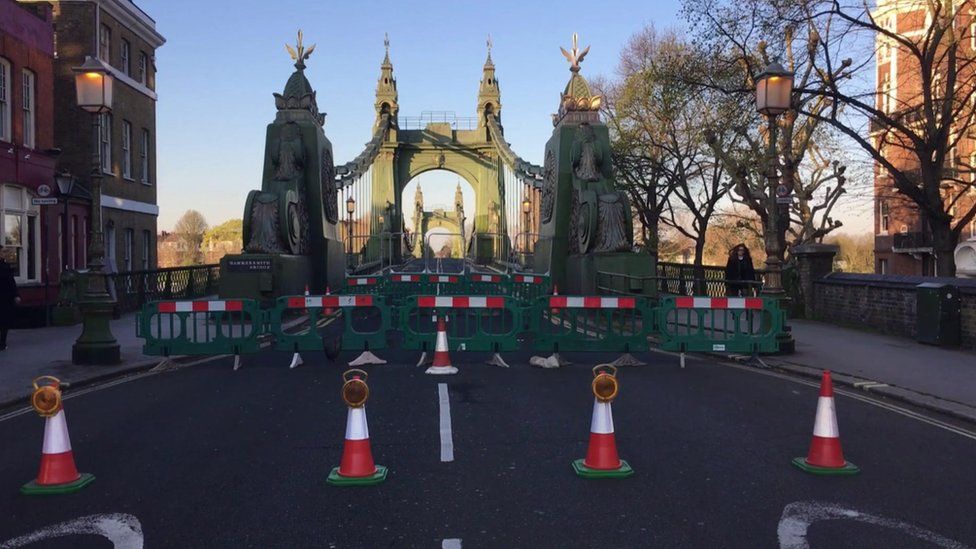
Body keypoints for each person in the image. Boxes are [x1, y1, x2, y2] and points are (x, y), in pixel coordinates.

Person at [0, 247, 20, 351]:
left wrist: (16, 294)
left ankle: (2, 343)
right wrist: (15, 295)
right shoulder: (5, 267)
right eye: (2, 252)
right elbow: (10, 282)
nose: (4, 254)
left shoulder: (5, 266)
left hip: (4, 297)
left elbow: (11, 282)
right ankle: (2, 343)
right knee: (4, 321)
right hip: (4, 297)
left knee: (4, 321)